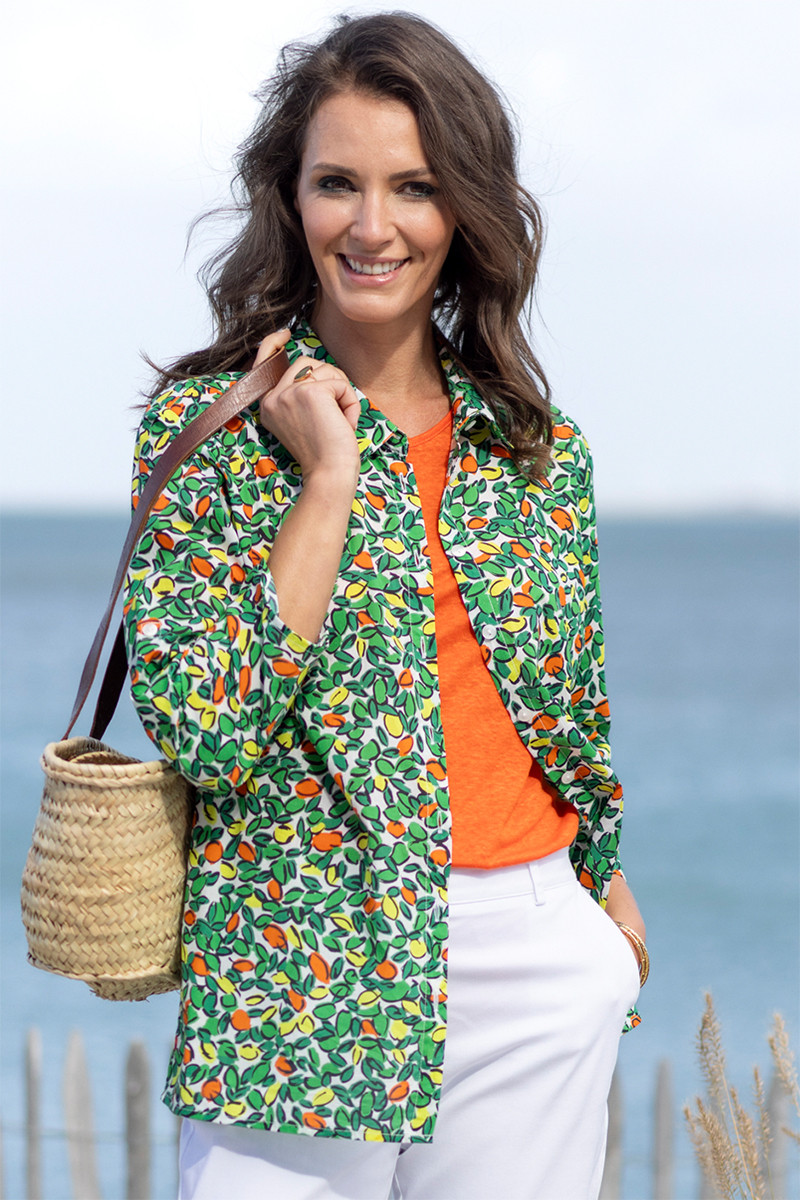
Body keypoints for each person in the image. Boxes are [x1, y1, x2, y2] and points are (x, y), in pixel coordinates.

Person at [124, 12, 647, 1199]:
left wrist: (605, 915)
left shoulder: (534, 452)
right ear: (289, 198)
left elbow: (569, 717)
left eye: (413, 187)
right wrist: (326, 481)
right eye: (336, 184)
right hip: (301, 968)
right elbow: (207, 730)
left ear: (462, 209)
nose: (371, 227)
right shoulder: (205, 437)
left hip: (531, 955)